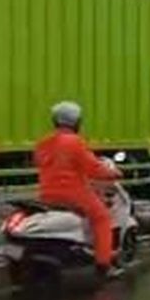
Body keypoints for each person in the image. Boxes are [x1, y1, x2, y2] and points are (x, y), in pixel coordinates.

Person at [34, 101, 122, 275]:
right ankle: (104, 265)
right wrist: (114, 173)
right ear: (76, 122)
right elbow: (93, 168)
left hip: (47, 193)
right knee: (102, 218)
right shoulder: (75, 142)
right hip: (73, 194)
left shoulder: (43, 143)